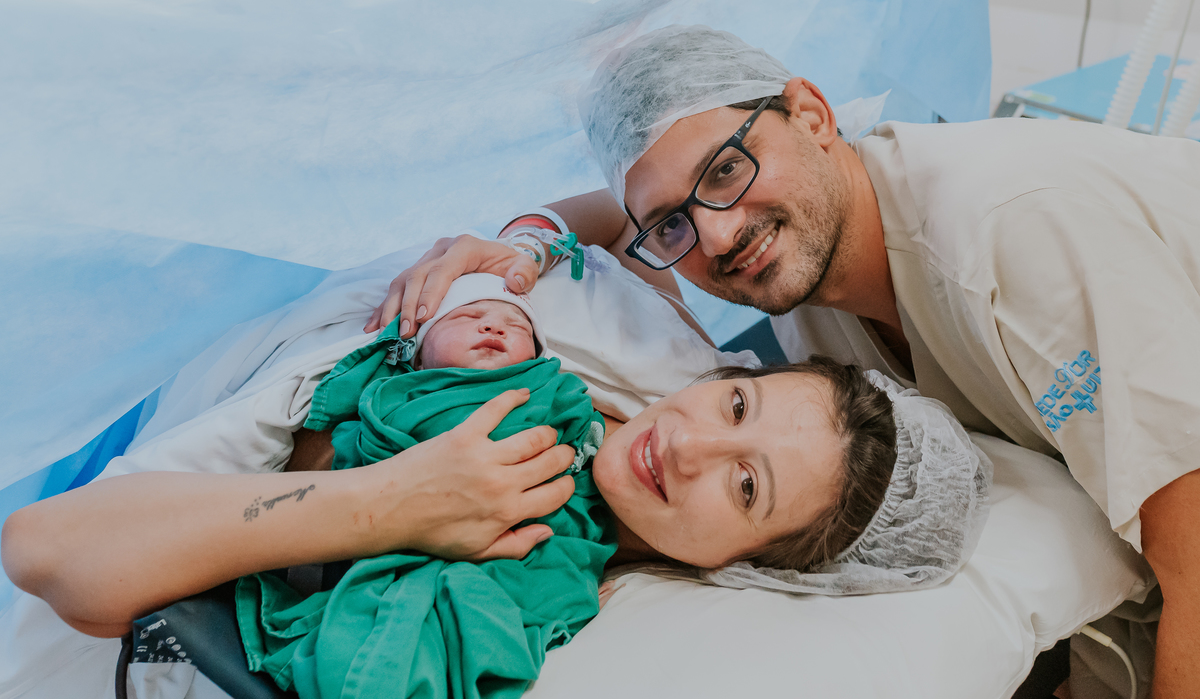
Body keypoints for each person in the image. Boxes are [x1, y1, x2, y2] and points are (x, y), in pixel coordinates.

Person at [366, 25, 1200, 697]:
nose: (719, 235)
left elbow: (1192, 542)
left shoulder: (1006, 232)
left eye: (727, 168)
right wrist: (519, 247)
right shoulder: (817, 311)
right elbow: (616, 213)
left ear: (812, 112)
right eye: (674, 225)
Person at [3, 271, 989, 699]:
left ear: (753, 566)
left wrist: (388, 508)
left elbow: (52, 553)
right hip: (162, 377)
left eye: (745, 491)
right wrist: (520, 238)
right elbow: (593, 229)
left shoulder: (556, 582)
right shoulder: (575, 362)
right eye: (736, 411)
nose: (686, 447)